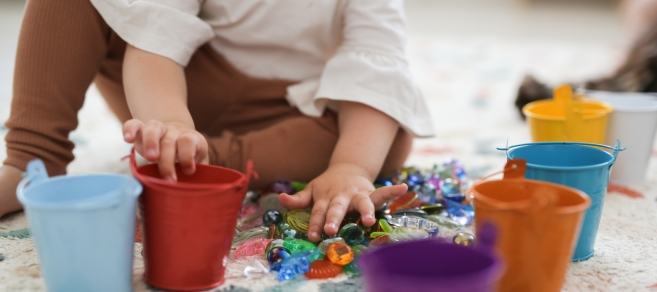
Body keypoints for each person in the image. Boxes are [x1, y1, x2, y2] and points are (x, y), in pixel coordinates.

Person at [0, 0, 434, 242]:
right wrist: (170, 122)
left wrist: (350, 168)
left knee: (385, 131)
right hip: (177, 87)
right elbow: (155, 34)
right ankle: (32, 159)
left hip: (292, 111)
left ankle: (202, 164)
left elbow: (376, 66)